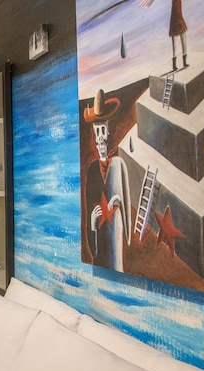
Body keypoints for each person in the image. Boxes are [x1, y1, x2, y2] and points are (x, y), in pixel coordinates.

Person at [84, 89, 132, 271]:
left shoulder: (119, 164)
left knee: (116, 262)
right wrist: (93, 223)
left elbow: (126, 200)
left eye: (102, 130)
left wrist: (118, 200)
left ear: (109, 131)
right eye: (97, 132)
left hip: (115, 229)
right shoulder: (92, 169)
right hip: (101, 232)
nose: (100, 139)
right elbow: (89, 207)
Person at [142, 0, 188, 70]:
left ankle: (176, 61)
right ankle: (182, 60)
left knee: (177, 31)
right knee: (181, 30)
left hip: (176, 7)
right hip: (176, 7)